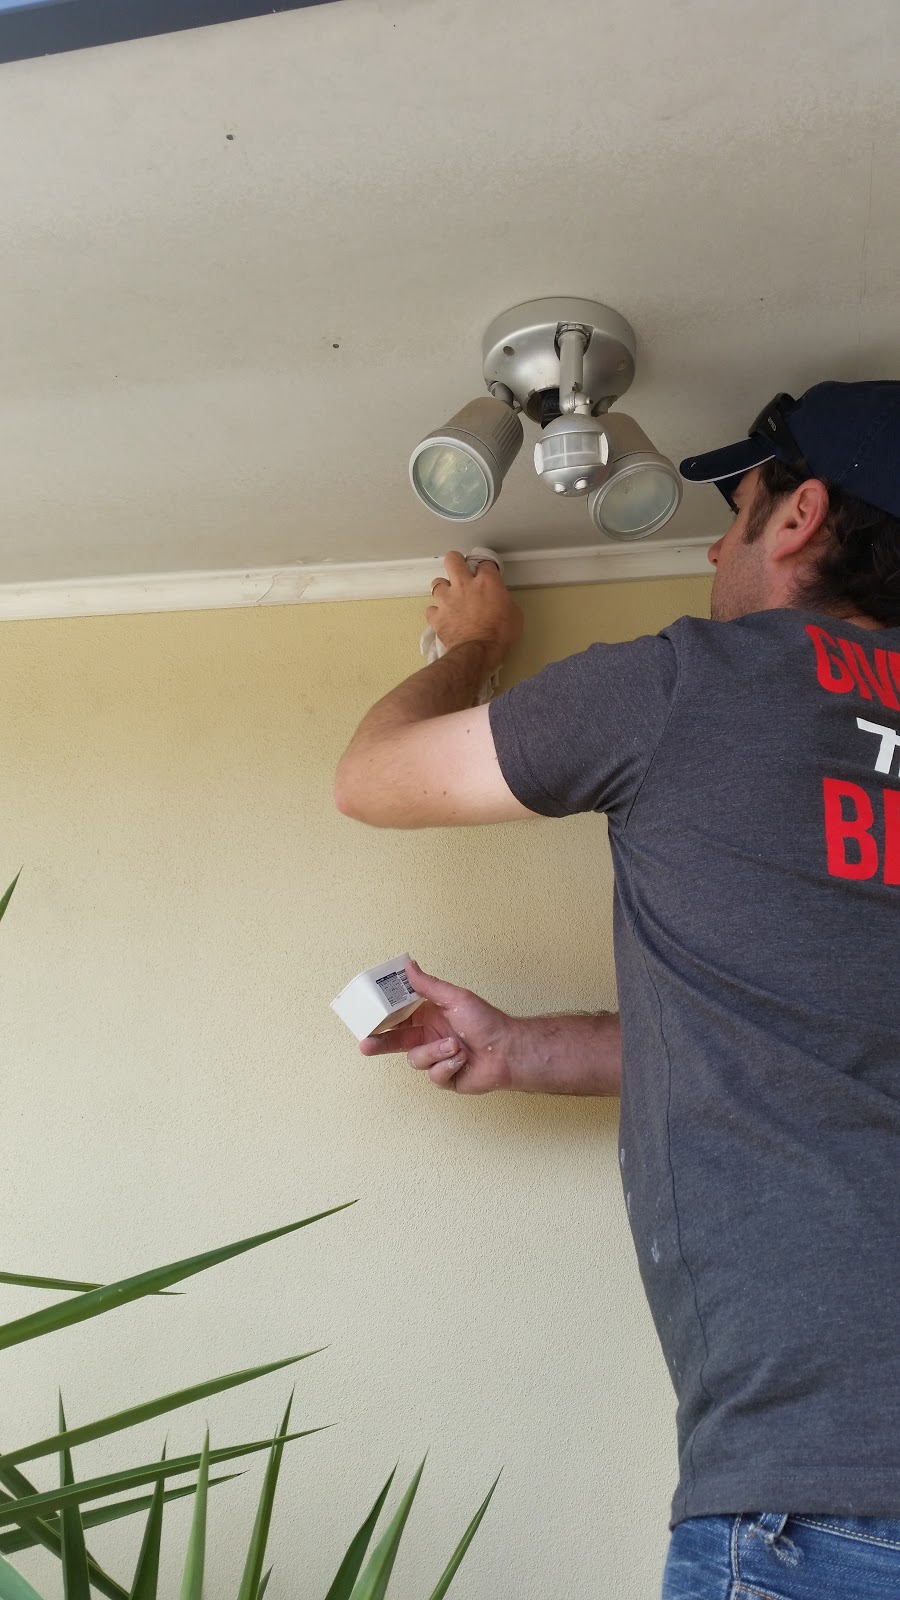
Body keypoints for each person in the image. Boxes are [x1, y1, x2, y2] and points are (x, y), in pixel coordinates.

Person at [334, 381, 900, 1599]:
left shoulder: (692, 681)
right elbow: (810, 1033)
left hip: (824, 1505)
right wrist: (521, 1049)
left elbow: (373, 776)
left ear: (801, 515)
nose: (712, 547)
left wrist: (473, 645)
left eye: (737, 511)